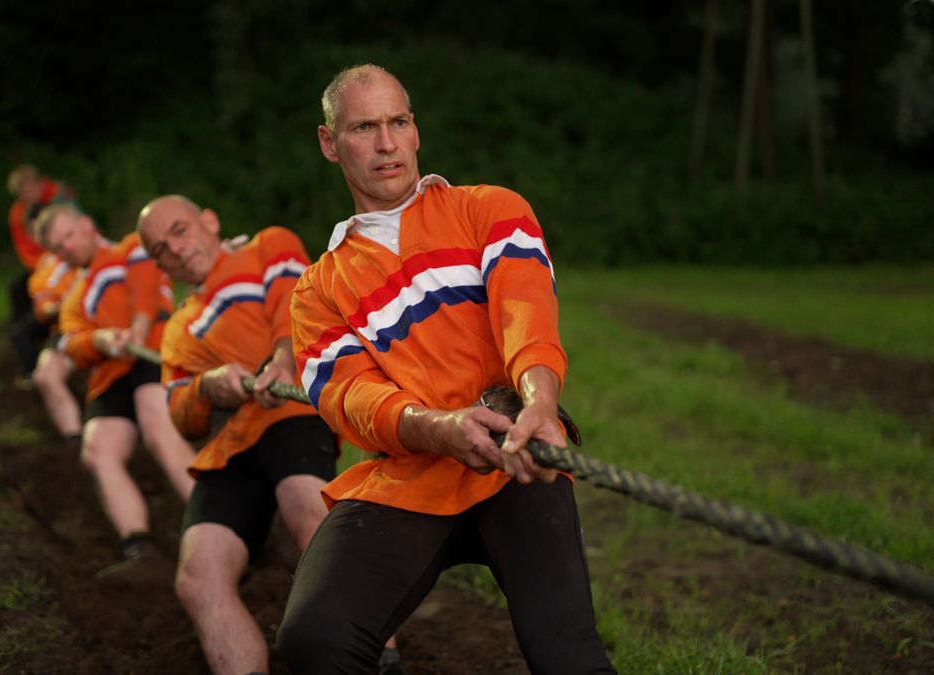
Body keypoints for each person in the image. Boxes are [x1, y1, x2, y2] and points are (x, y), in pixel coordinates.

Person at [278, 65, 615, 674]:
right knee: (313, 638)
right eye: (364, 128)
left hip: (518, 463)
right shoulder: (316, 292)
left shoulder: (488, 209)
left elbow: (526, 317)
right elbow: (353, 400)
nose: (386, 144)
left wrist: (538, 401)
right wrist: (439, 428)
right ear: (330, 144)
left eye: (397, 122)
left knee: (568, 655)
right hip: (410, 477)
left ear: (415, 130)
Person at [137, 195, 402, 675]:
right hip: (230, 447)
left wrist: (282, 357)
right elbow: (181, 415)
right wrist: (208, 386)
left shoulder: (266, 247)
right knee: (197, 577)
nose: (172, 250)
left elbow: (296, 306)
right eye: (158, 249)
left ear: (210, 220)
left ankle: (380, 658)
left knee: (308, 511)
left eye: (178, 231)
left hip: (289, 413)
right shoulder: (176, 329)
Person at [34, 202, 196, 573]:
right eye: (59, 247)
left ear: (87, 224)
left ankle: (217, 521)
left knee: (158, 427)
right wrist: (101, 341)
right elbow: (73, 343)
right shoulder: (72, 300)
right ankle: (137, 547)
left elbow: (146, 286)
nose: (68, 247)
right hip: (110, 374)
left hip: (153, 351)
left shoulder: (129, 248)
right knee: (96, 450)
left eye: (69, 235)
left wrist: (137, 326)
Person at [5, 165, 74, 382]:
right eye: (22, 192)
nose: (27, 194)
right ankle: (32, 344)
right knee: (19, 291)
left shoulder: (59, 196)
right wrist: (43, 267)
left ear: (39, 183)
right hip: (41, 267)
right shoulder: (18, 214)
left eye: (29, 188)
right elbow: (24, 248)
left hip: (61, 267)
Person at [26, 243, 83, 441]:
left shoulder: (109, 254)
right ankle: (74, 438)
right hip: (69, 330)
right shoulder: (48, 269)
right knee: (44, 376)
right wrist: (66, 306)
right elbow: (45, 308)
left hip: (113, 328)